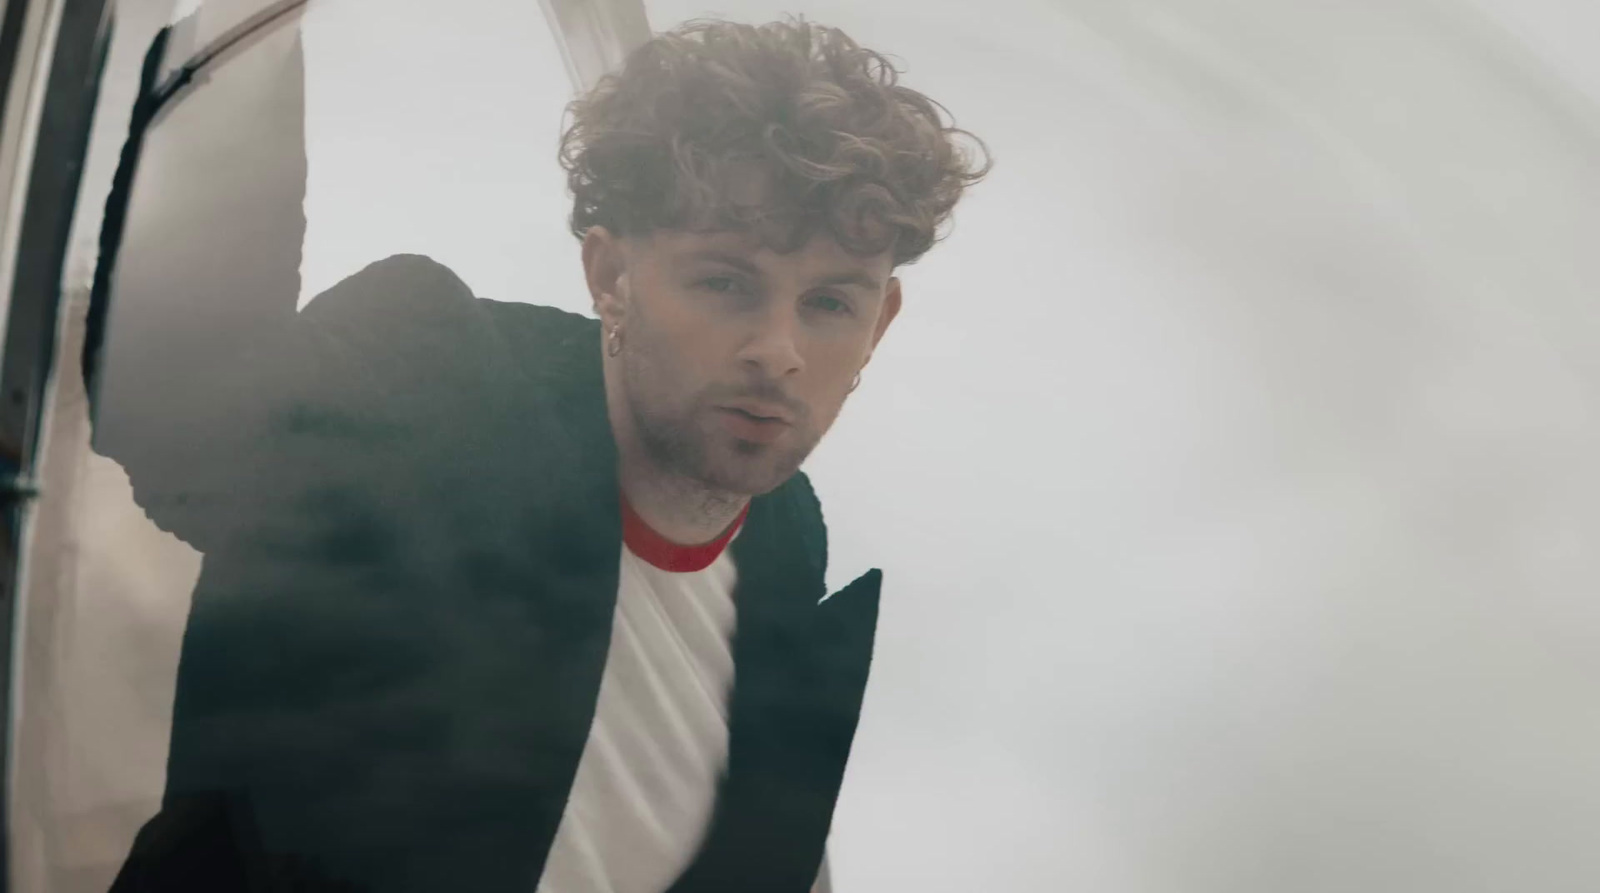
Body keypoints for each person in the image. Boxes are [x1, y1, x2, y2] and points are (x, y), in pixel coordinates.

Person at [106, 16, 989, 893]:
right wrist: (242, 29)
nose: (778, 349)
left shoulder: (789, 531)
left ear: (880, 323)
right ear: (611, 276)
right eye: (725, 282)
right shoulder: (430, 373)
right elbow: (175, 426)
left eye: (830, 304)